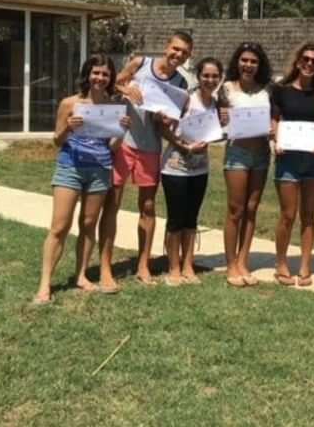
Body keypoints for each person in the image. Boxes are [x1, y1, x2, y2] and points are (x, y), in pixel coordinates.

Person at [99, 32, 192, 290]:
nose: (178, 55)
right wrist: (124, 88)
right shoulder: (140, 63)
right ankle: (106, 268)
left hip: (150, 148)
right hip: (123, 143)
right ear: (167, 46)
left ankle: (143, 264)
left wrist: (165, 120)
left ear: (188, 56)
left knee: (148, 208)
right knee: (112, 205)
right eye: (176, 49)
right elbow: (110, 86)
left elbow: (170, 121)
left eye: (184, 52)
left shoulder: (181, 83)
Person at [34, 54, 129, 303]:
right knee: (60, 226)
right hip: (70, 167)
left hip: (100, 168)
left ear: (110, 78)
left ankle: (81, 275)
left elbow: (113, 147)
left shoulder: (112, 107)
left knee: (88, 224)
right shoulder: (70, 103)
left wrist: (122, 130)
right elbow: (56, 140)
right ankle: (45, 284)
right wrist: (68, 128)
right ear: (87, 74)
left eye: (105, 74)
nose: (100, 78)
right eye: (95, 72)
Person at [271, 43, 314, 286]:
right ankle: (281, 263)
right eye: (305, 59)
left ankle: (306, 264)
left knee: (308, 215)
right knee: (288, 214)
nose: (309, 64)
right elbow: (275, 120)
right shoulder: (281, 90)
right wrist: (275, 140)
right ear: (297, 62)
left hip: (313, 159)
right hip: (287, 158)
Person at [160, 57, 223, 286]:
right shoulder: (186, 99)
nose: (210, 79)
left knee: (191, 219)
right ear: (198, 76)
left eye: (215, 76)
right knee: (176, 219)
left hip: (200, 169)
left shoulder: (216, 103)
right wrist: (185, 147)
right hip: (175, 167)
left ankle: (188, 265)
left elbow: (214, 133)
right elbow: (163, 127)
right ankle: (173, 267)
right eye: (206, 75)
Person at [218, 43, 273, 287]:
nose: (248, 65)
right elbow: (216, 121)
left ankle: (243, 261)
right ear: (237, 62)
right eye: (244, 60)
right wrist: (223, 119)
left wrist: (274, 128)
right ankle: (231, 264)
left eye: (253, 61)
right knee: (235, 210)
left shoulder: (267, 90)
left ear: (259, 65)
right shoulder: (227, 89)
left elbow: (275, 118)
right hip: (237, 154)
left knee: (251, 209)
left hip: (261, 155)